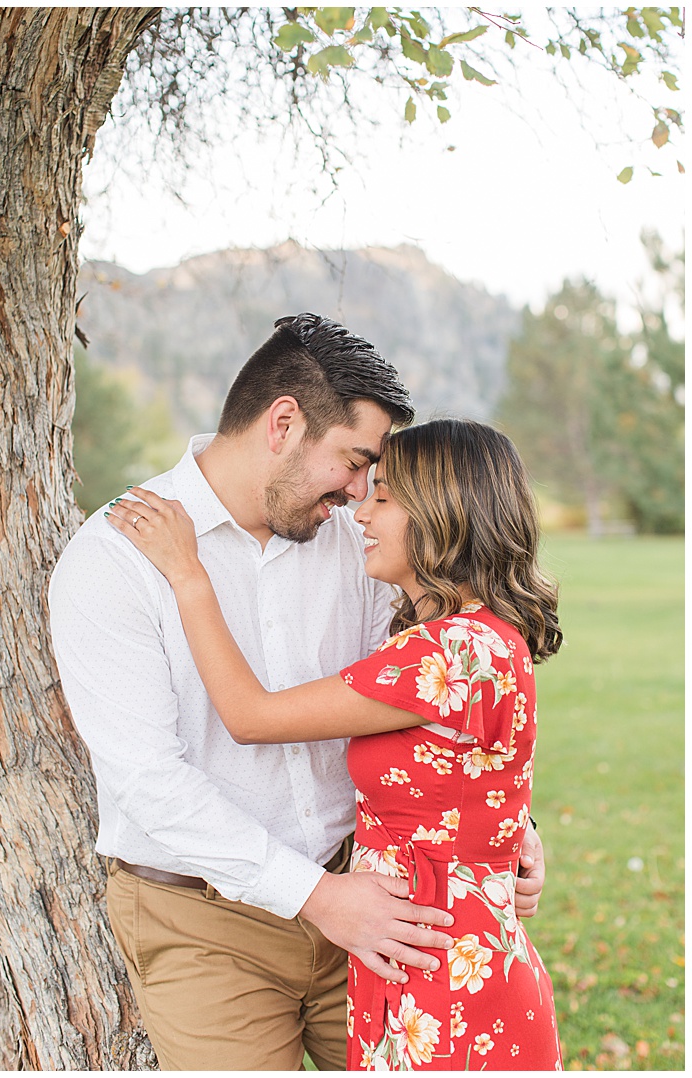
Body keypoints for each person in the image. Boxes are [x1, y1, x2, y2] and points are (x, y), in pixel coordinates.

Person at [46, 315, 546, 1070]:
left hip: (379, 900)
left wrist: (507, 820)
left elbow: (438, 705)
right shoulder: (117, 559)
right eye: (353, 462)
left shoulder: (361, 541)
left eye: (373, 479)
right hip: (207, 923)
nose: (358, 492)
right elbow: (149, 781)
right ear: (284, 423)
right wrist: (316, 896)